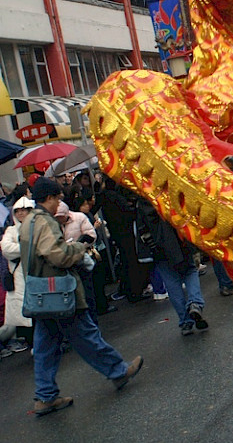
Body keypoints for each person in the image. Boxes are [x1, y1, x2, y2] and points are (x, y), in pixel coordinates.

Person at [21, 177, 143, 416]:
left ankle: (45, 396)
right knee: (85, 335)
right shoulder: (45, 222)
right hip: (59, 292)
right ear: (48, 198)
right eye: (57, 198)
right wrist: (78, 247)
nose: (59, 203)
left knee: (46, 345)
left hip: (42, 295)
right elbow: (59, 256)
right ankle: (118, 371)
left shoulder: (29, 222)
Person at [136, 197, 208, 335]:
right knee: (190, 271)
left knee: (171, 282)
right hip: (181, 242)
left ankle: (185, 321)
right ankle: (195, 303)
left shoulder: (143, 201)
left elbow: (142, 229)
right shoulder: (168, 191)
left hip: (160, 248)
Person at [0, 196, 34, 353]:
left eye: (24, 210)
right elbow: (6, 249)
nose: (21, 214)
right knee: (25, 315)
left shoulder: (37, 227)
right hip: (19, 278)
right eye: (17, 211)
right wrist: (26, 247)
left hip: (37, 274)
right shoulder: (11, 230)